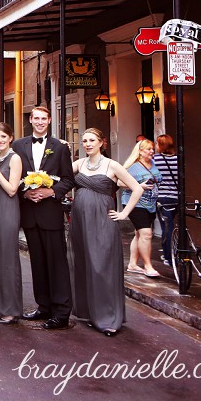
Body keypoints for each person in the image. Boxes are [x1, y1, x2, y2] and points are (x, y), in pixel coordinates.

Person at [70, 128, 143, 336]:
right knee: (84, 264)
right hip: (80, 222)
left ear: (102, 142)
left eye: (92, 140)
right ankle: (91, 313)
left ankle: (109, 317)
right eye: (84, 141)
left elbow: (136, 188)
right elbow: (60, 172)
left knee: (102, 266)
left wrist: (124, 213)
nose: (87, 144)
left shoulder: (113, 165)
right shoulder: (79, 164)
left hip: (102, 222)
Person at [12, 106, 75, 330]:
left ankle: (61, 312)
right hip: (30, 213)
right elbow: (14, 176)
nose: (39, 122)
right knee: (37, 262)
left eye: (43, 119)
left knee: (56, 263)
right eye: (36, 118)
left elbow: (68, 179)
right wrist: (24, 192)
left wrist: (51, 191)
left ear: (49, 121)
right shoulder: (18, 145)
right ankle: (43, 306)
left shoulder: (60, 147)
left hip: (50, 213)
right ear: (30, 120)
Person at [0, 122, 23, 325]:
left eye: (3, 137)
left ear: (10, 138)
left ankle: (10, 309)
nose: (0, 140)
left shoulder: (14, 158)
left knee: (7, 257)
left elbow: (12, 189)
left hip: (8, 207)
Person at [120, 139, 162, 277]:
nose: (151, 151)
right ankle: (148, 266)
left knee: (139, 234)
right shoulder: (133, 166)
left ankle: (132, 264)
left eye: (152, 149)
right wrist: (139, 186)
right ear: (140, 151)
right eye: (148, 149)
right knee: (146, 234)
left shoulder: (153, 163)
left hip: (150, 203)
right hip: (135, 203)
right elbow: (120, 181)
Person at [153, 135, 179, 265]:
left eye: (157, 143)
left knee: (166, 228)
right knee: (173, 226)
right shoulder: (178, 159)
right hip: (176, 197)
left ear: (161, 145)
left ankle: (169, 256)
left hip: (162, 197)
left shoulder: (155, 159)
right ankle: (174, 252)